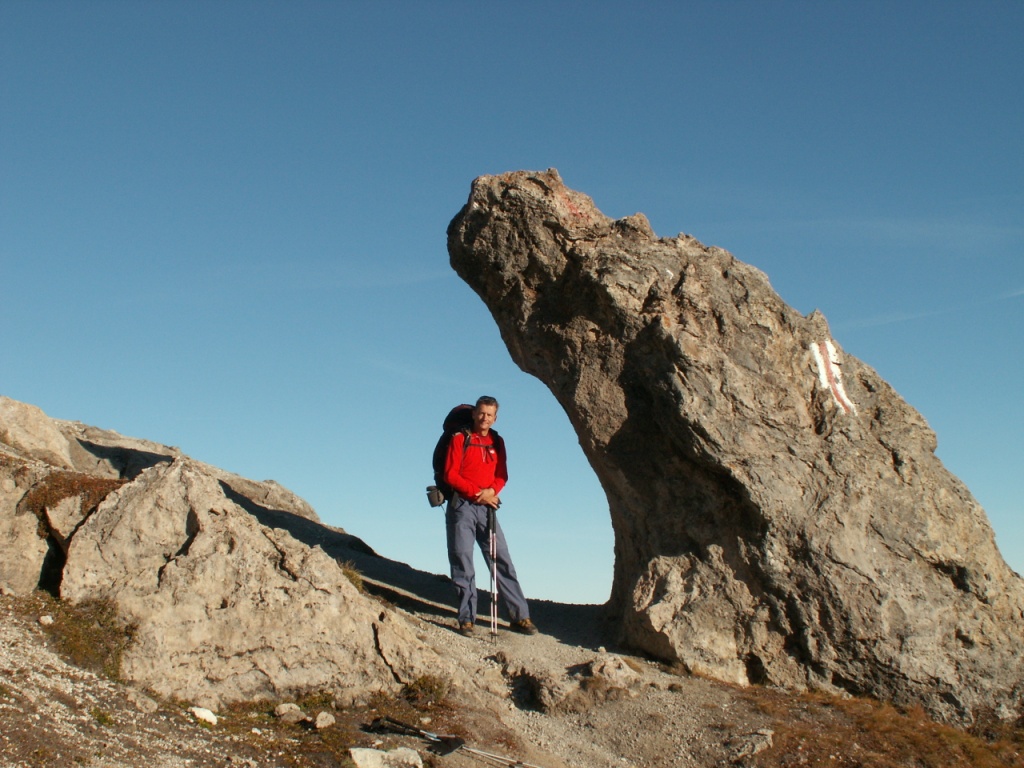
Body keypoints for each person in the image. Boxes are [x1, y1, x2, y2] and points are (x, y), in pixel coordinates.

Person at [443, 396, 537, 637]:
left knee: (501, 559)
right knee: (462, 559)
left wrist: (491, 492)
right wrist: (478, 493)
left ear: (495, 418)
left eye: (490, 415)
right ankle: (467, 619)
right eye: (482, 413)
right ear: (474, 413)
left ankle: (520, 616)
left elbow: (502, 475)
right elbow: (450, 475)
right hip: (462, 506)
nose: (485, 418)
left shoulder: (497, 441)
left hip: (488, 507)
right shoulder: (460, 438)